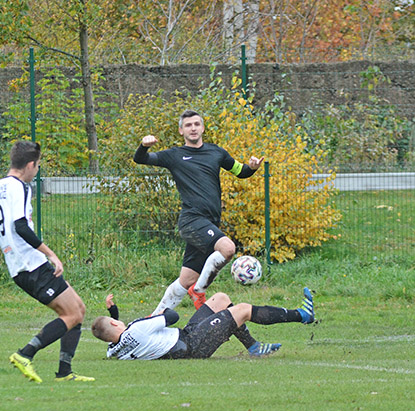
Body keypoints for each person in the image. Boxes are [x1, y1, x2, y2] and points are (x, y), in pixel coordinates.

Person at [0, 141, 94, 383]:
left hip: (20, 269)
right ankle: (25, 354)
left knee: (77, 309)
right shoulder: (19, 187)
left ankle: (64, 372)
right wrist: (51, 253)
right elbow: (20, 226)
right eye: (37, 166)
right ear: (29, 165)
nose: (37, 171)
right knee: (73, 314)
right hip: (32, 265)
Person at [133, 109, 264, 315]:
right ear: (181, 130)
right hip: (192, 220)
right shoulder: (174, 155)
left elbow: (241, 171)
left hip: (210, 223)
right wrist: (143, 146)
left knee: (185, 281)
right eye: (188, 125)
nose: (192, 128)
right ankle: (199, 291)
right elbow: (140, 159)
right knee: (228, 249)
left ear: (202, 128)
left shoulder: (217, 152)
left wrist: (253, 167)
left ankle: (152, 319)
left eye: (196, 124)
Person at [91, 288, 314, 360]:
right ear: (114, 323)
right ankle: (302, 315)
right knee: (243, 309)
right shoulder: (137, 329)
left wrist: (113, 310)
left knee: (221, 299)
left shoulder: (113, 351)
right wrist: (161, 312)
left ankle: (253, 346)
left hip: (185, 338)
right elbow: (172, 317)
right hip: (193, 345)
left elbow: (116, 332)